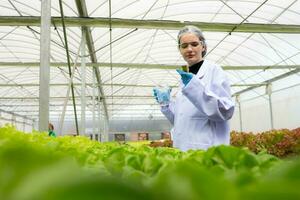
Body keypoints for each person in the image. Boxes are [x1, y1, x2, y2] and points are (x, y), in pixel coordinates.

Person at [153, 25, 234, 151]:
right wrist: (166, 104)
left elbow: (225, 111)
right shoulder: (184, 79)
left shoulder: (214, 71)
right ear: (179, 50)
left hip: (206, 148)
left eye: (194, 44)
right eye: (184, 46)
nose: (189, 49)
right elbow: (180, 119)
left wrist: (193, 87)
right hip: (184, 148)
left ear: (203, 46)